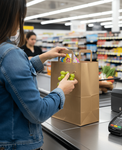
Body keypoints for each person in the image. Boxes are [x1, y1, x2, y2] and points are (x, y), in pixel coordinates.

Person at [0, 1, 78, 150]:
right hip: (17, 145)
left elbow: (8, 74)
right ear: (10, 15)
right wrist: (61, 90)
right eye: (21, 14)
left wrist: (43, 57)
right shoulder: (10, 54)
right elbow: (38, 112)